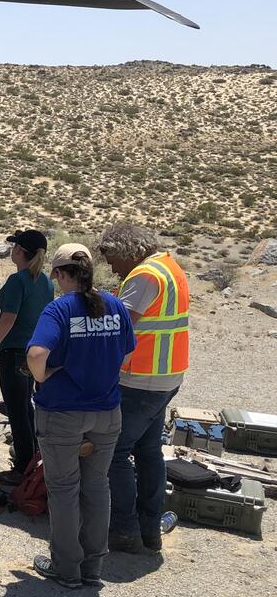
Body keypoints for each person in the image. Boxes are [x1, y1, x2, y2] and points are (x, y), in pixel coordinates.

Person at [25, 244, 138, 588]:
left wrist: (41, 376)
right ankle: (93, 567)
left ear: (59, 274)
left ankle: (67, 568)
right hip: (106, 412)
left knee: (63, 489)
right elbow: (127, 351)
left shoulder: (59, 310)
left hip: (62, 413)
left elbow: (36, 353)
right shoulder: (114, 305)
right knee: (96, 486)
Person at [97, 224, 190, 556]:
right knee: (149, 452)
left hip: (141, 378)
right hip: (167, 375)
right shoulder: (169, 265)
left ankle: (125, 529)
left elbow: (120, 326)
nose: (112, 268)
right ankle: (150, 529)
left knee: (115, 452)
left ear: (125, 250)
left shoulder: (144, 275)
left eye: (112, 260)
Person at [0, 230, 54, 483]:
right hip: (34, 352)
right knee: (25, 407)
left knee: (17, 409)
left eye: (15, 247)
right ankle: (30, 460)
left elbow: (8, 318)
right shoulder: (45, 282)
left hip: (14, 353)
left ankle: (22, 468)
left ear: (20, 251)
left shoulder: (18, 280)